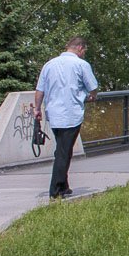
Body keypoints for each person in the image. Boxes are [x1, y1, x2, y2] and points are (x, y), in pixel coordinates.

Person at [33, 36, 99, 199]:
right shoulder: (81, 64)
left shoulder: (49, 64)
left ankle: (64, 185)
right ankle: (55, 191)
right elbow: (93, 87)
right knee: (63, 151)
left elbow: (40, 90)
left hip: (53, 114)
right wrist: (92, 96)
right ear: (80, 48)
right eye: (84, 50)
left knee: (63, 149)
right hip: (71, 114)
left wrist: (37, 109)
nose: (84, 53)